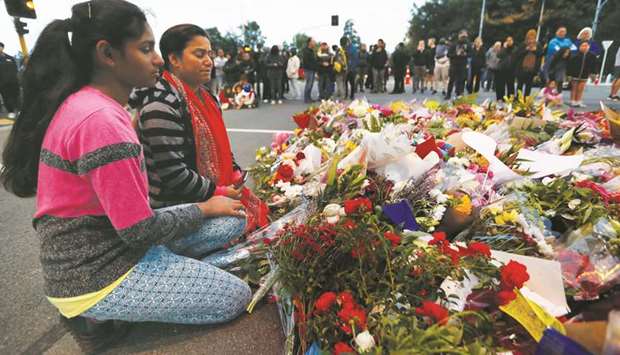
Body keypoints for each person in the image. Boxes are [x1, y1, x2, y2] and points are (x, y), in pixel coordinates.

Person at [0, 2, 251, 353]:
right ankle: (96, 316)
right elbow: (139, 230)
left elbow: (133, 222)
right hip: (97, 273)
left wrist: (212, 208)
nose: (158, 59)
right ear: (107, 54)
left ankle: (175, 279)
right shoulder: (101, 121)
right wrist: (206, 207)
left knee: (233, 223)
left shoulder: (92, 106)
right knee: (234, 297)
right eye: (146, 49)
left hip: (117, 242)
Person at [567, 41, 598, 108]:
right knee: (574, 88)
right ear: (580, 47)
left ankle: (578, 101)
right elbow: (569, 65)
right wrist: (568, 74)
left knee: (581, 88)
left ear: (589, 47)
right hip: (574, 74)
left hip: (585, 74)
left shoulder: (592, 56)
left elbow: (594, 66)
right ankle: (572, 101)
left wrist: (594, 74)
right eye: (583, 46)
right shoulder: (575, 54)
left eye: (586, 46)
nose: (585, 47)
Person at [514, 29, 543, 97]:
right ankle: (518, 98)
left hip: (532, 69)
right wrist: (526, 50)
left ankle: (526, 100)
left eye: (533, 37)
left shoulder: (538, 45)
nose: (531, 39)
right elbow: (517, 55)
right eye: (530, 37)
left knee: (529, 86)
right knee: (519, 85)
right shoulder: (523, 44)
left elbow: (541, 55)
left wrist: (535, 51)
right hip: (521, 68)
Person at [445, 30, 470, 100]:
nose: (464, 38)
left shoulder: (468, 44)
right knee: (451, 80)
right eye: (463, 36)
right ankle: (448, 94)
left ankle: (459, 94)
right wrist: (456, 54)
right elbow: (448, 54)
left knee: (462, 80)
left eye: (465, 36)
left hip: (463, 65)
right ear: (459, 35)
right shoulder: (454, 44)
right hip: (454, 64)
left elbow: (471, 54)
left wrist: (465, 54)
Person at [0, 42, 20, 118]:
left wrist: (16, 78)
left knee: (16, 96)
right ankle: (10, 111)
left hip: (13, 81)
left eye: (0, 46)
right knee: (6, 97)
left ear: (3, 48)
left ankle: (18, 110)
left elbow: (15, 68)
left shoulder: (10, 58)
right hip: (2, 83)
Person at [495, 36, 517, 101]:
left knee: (510, 85)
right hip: (502, 69)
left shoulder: (515, 49)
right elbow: (498, 55)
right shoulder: (503, 48)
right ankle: (501, 98)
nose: (509, 42)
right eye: (508, 40)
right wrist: (504, 48)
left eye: (510, 40)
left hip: (511, 70)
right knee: (501, 85)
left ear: (513, 41)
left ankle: (510, 98)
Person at [301, 37, 318, 103]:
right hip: (308, 70)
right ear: (309, 43)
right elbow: (306, 61)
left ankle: (309, 97)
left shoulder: (312, 50)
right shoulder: (306, 51)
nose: (314, 43)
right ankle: (306, 98)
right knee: (308, 84)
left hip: (312, 70)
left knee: (311, 84)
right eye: (313, 41)